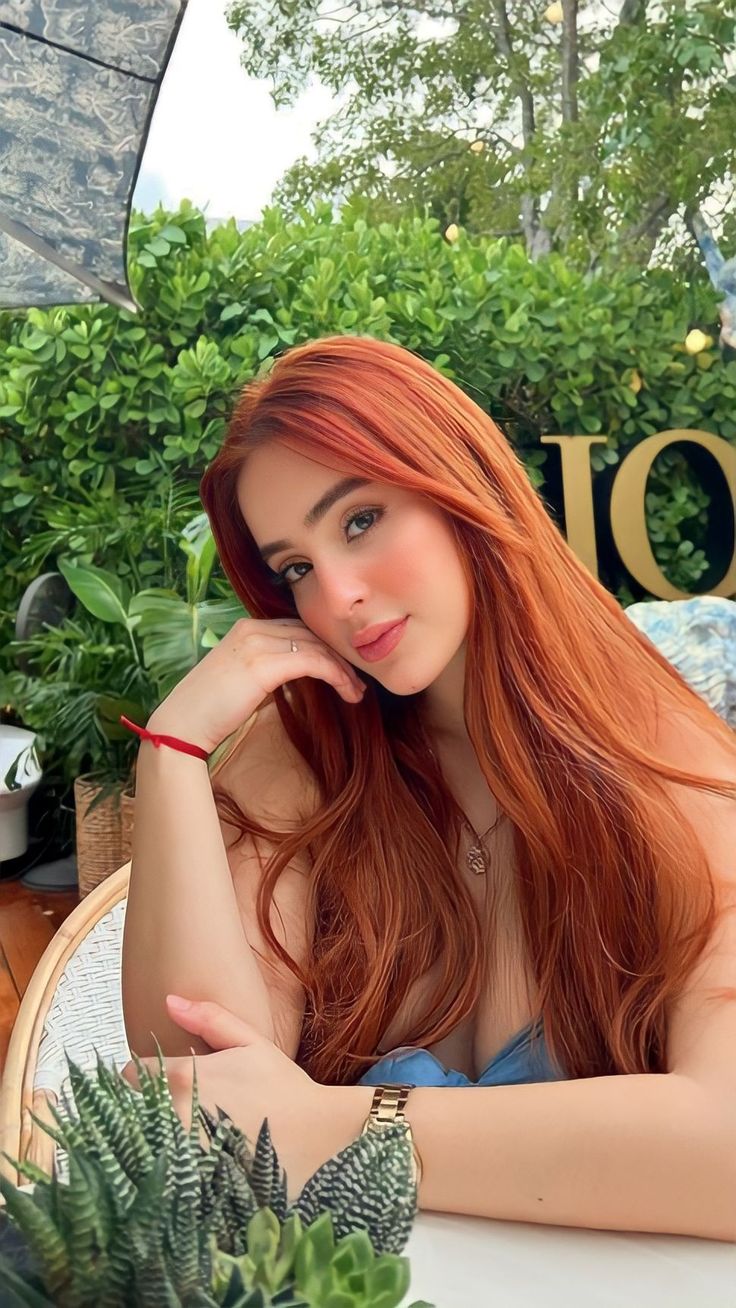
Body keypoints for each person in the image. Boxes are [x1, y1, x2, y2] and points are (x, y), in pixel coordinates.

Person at [121, 334, 736, 1240]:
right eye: (294, 567)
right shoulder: (309, 749)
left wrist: (330, 1125)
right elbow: (199, 1088)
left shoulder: (662, 760)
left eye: (360, 520)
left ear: (463, 490)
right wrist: (170, 750)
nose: (336, 596)